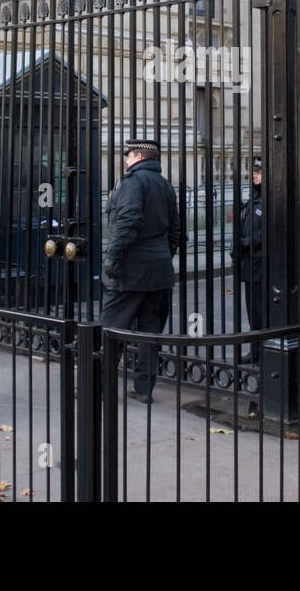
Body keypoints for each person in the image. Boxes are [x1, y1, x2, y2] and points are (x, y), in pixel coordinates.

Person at [100, 138, 181, 403]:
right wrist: (162, 255)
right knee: (149, 331)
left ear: (137, 157)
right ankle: (144, 389)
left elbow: (128, 220)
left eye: (128, 156)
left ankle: (100, 385)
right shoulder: (165, 185)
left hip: (131, 270)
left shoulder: (134, 182)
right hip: (159, 270)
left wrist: (113, 257)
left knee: (112, 329)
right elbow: (176, 231)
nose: (125, 160)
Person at [234, 155, 265, 362]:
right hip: (248, 264)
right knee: (252, 310)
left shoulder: (269, 200)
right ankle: (255, 350)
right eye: (253, 172)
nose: (255, 175)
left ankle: (264, 349)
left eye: (259, 172)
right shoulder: (252, 200)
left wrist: (245, 242)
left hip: (262, 264)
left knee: (262, 311)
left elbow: (268, 232)